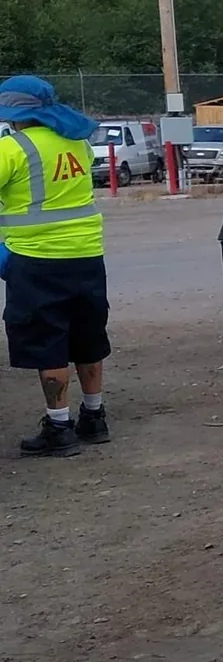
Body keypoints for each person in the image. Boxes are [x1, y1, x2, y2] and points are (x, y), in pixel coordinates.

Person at [0, 76, 110, 457]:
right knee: (87, 337)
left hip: (35, 260)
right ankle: (94, 417)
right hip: (87, 255)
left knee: (47, 342)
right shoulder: (78, 144)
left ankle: (59, 428)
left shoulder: (12, 148)